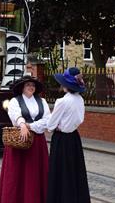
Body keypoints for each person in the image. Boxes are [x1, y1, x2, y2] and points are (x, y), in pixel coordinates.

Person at [0, 76, 51, 203]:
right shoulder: (15, 101)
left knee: (35, 174)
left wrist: (30, 126)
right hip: (20, 140)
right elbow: (15, 115)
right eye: (28, 85)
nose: (31, 87)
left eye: (33, 85)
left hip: (37, 141)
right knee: (17, 175)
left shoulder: (42, 101)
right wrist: (22, 125)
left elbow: (47, 119)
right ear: (22, 87)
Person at [46, 67, 90, 203]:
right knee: (74, 171)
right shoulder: (80, 100)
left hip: (61, 139)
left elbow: (50, 126)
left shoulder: (62, 102)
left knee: (61, 172)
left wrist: (57, 125)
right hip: (74, 138)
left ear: (66, 84)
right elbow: (79, 120)